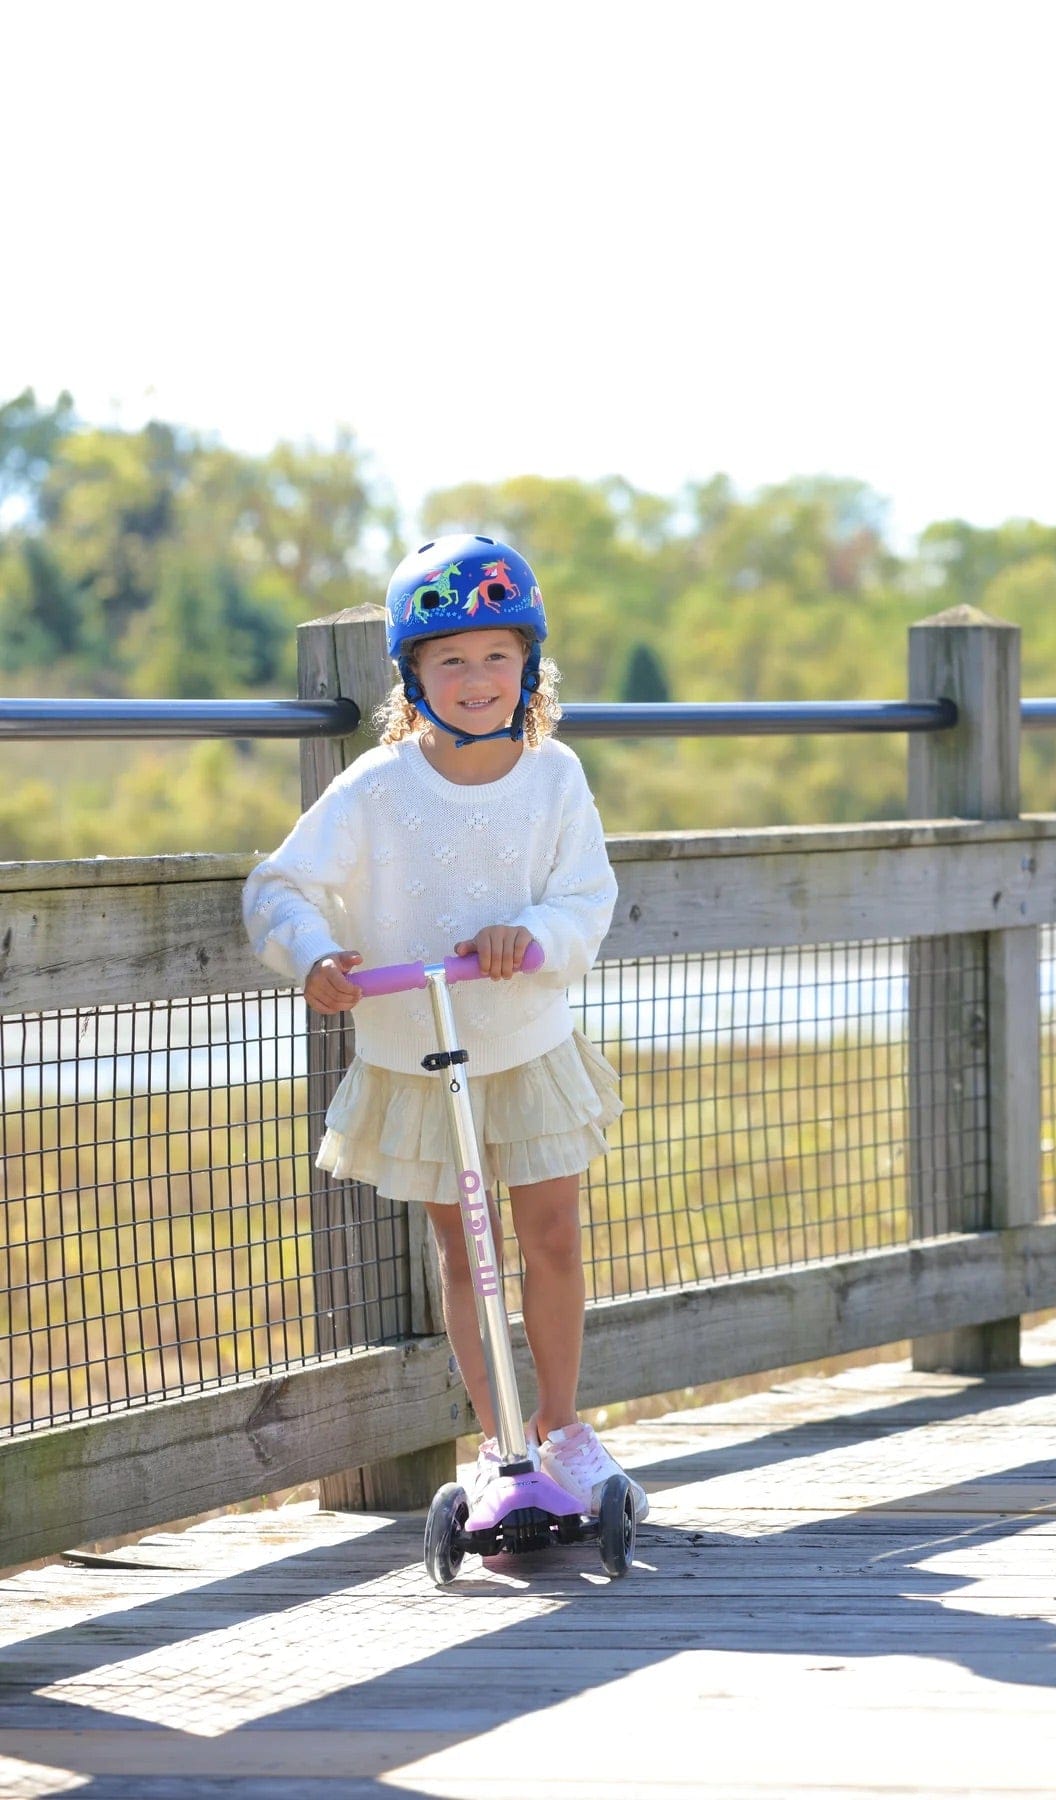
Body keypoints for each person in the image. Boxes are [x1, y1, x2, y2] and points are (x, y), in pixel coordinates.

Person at [243, 532, 648, 1522]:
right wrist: (317, 957)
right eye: (451, 659)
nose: (477, 678)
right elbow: (279, 886)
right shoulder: (377, 789)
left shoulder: (554, 778)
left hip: (524, 1042)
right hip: (418, 1057)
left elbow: (587, 897)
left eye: (497, 656)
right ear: (413, 674)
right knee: (464, 1252)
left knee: (549, 1234)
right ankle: (500, 1445)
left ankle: (563, 1429)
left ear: (529, 665)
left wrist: (532, 936)